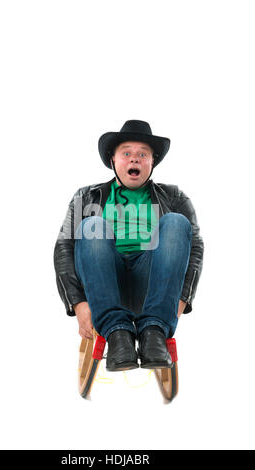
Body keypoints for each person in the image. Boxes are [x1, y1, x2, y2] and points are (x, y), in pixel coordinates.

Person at [54, 120, 204, 371]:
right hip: (102, 279)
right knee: (92, 226)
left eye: (142, 154)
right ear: (113, 159)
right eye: (126, 153)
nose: (134, 159)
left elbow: (195, 248)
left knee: (177, 223)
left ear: (152, 162)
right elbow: (63, 249)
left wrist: (182, 298)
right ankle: (117, 333)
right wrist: (77, 303)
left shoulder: (175, 197)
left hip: (154, 283)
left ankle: (154, 330)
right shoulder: (86, 196)